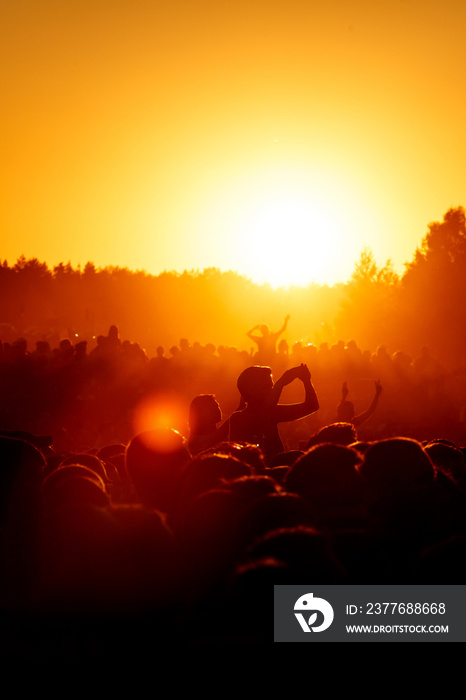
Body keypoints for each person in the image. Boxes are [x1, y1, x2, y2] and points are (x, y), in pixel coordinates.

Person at [229, 363, 319, 463]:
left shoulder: (273, 412)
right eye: (267, 386)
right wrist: (280, 384)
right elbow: (262, 414)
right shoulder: (238, 418)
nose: (271, 391)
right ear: (251, 390)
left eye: (272, 386)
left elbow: (312, 406)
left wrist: (306, 381)